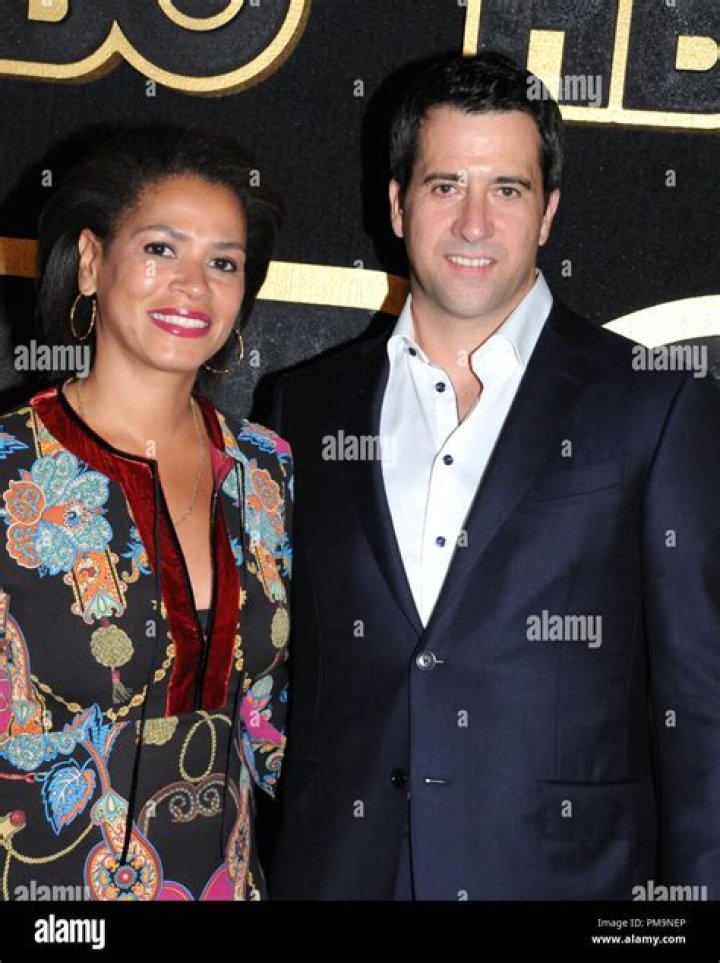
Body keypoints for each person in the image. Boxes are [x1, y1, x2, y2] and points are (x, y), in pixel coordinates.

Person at [266, 52, 720, 900]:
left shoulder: (654, 403)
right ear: (398, 204)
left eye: (507, 190)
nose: (474, 223)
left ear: (547, 212)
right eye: (445, 186)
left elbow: (703, 713)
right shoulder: (304, 405)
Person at [0, 127, 292, 901]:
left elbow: (271, 723)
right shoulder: (9, 469)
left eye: (223, 262)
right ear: (90, 262)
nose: (193, 285)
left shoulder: (266, 469)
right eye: (161, 249)